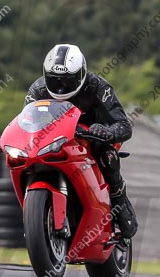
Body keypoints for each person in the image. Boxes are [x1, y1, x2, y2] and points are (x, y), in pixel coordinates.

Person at [24, 43, 138, 238]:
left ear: (81, 73)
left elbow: (124, 125)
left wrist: (105, 132)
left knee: (105, 152)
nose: (61, 86)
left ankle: (119, 198)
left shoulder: (99, 87)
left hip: (94, 135)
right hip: (56, 138)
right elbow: (26, 122)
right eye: (55, 80)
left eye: (68, 81)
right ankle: (34, 214)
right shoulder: (37, 90)